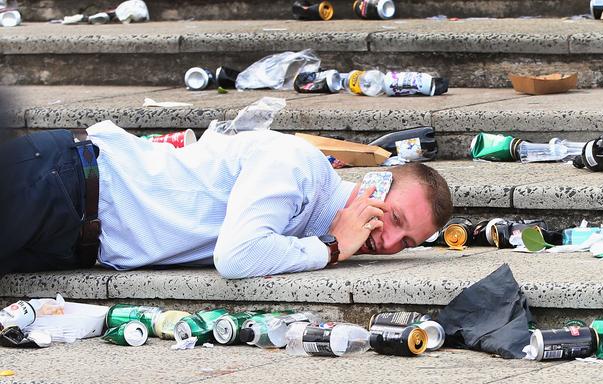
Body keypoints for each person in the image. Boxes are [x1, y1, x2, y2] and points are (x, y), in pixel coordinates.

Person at [0, 121, 452, 278]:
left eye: (407, 242)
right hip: (66, 180)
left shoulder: (305, 220)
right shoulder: (295, 165)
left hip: (72, 237)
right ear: (375, 187)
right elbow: (235, 257)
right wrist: (330, 246)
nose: (390, 242)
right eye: (394, 219)